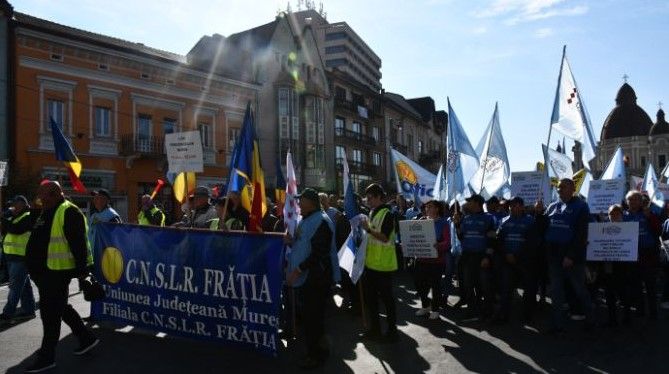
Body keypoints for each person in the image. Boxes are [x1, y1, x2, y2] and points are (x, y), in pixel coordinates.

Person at [24, 181, 98, 373]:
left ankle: (46, 357)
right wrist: (34, 209)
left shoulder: (68, 211)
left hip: (57, 271)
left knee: (50, 315)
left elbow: (79, 244)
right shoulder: (47, 210)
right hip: (45, 272)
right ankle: (86, 338)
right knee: (61, 307)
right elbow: (36, 231)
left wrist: (83, 274)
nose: (40, 199)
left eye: (43, 195)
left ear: (55, 194)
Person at [285, 188, 336, 369]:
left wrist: (297, 270)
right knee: (310, 318)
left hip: (316, 280)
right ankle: (315, 352)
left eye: (301, 201)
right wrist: (291, 241)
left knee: (314, 320)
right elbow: (303, 244)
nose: (298, 204)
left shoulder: (321, 221)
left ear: (310, 203)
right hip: (309, 280)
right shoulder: (306, 219)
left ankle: (316, 356)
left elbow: (318, 254)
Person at [540, 178, 594, 333]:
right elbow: (543, 228)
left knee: (579, 289)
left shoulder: (581, 206)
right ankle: (557, 324)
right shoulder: (552, 206)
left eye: (562, 187)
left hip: (572, 257)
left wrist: (571, 255)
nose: (559, 190)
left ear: (572, 189)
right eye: (558, 188)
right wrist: (538, 214)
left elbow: (581, 233)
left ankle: (590, 319)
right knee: (556, 292)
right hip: (554, 256)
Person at [360, 183, 399, 342]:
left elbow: (383, 237)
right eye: (366, 198)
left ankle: (392, 331)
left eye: (370, 198)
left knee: (387, 300)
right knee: (371, 301)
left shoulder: (387, 214)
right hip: (371, 265)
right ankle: (374, 329)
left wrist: (368, 230)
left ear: (378, 197)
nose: (367, 201)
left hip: (383, 266)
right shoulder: (372, 212)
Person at [495, 196, 539, 323]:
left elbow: (532, 243)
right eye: (511, 205)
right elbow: (499, 241)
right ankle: (503, 315)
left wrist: (518, 257)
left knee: (529, 290)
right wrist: (507, 254)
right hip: (508, 261)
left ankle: (527, 315)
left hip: (525, 262)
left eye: (515, 205)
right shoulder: (504, 221)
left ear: (521, 206)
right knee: (506, 288)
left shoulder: (530, 221)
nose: (512, 208)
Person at [453, 194, 496, 319]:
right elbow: (461, 237)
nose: (467, 204)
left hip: (482, 256)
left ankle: (488, 311)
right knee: (468, 284)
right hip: (467, 256)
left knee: (484, 285)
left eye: (470, 201)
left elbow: (492, 240)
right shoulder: (466, 218)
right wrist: (456, 225)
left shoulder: (488, 218)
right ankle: (472, 310)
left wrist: (487, 257)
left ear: (477, 203)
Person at [624, 190, 661, 320]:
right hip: (631, 255)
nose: (633, 202)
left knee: (650, 285)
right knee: (635, 284)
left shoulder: (649, 213)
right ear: (626, 202)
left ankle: (653, 312)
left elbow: (659, 230)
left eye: (636, 199)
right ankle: (640, 310)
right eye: (630, 199)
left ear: (641, 201)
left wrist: (650, 217)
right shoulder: (623, 215)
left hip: (648, 254)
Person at [0, 195, 37, 326]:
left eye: (14, 204)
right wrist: (6, 216)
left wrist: (4, 218)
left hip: (20, 257)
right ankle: (28, 310)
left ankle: (7, 313)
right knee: (24, 286)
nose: (12, 207)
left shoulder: (28, 216)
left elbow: (16, 230)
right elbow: (5, 230)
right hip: (12, 257)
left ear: (22, 204)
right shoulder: (14, 216)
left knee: (15, 287)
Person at [413, 200, 450, 320]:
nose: (427, 209)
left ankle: (435, 309)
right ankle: (425, 306)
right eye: (426, 207)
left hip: (436, 261)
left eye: (430, 207)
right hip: (421, 260)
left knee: (436, 286)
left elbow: (447, 242)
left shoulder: (443, 223)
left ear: (437, 209)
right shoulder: (421, 221)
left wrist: (438, 245)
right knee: (419, 285)